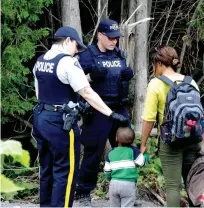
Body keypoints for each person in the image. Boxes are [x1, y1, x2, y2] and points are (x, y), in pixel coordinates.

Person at [31, 26, 128, 207]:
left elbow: (39, 94)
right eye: (76, 46)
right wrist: (110, 113)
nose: (77, 51)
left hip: (41, 119)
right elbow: (87, 92)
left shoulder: (40, 61)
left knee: (47, 169)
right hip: (61, 122)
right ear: (67, 41)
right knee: (66, 171)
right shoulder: (68, 62)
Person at [75, 19, 133, 204]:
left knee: (125, 151)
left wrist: (127, 77)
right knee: (93, 152)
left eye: (116, 38)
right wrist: (91, 77)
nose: (114, 41)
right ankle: (83, 193)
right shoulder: (86, 56)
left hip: (118, 108)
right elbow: (75, 83)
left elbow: (120, 79)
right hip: (97, 111)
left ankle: (125, 195)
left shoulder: (119, 54)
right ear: (100, 35)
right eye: (110, 38)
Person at [139, 45, 201, 207]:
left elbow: (148, 118)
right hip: (193, 139)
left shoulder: (156, 84)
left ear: (159, 63)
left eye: (154, 64)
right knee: (192, 183)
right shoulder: (191, 81)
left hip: (170, 141)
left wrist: (143, 144)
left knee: (173, 187)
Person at [104, 127, 149, 207]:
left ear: (116, 139)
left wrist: (109, 179)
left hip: (114, 184)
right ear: (133, 140)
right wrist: (145, 153)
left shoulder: (111, 153)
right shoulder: (133, 151)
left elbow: (107, 171)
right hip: (129, 184)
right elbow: (142, 163)